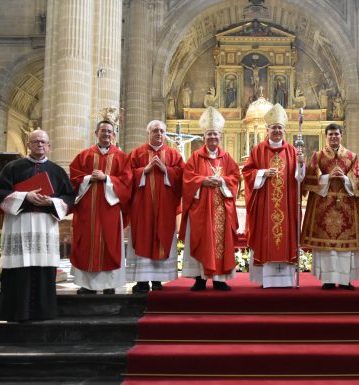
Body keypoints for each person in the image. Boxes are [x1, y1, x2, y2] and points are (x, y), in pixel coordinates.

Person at [0, 129, 75, 322]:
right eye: (35, 141)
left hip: (45, 226)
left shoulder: (57, 171)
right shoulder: (12, 168)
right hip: (19, 224)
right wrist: (25, 196)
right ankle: (16, 312)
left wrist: (52, 202)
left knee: (43, 268)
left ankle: (43, 312)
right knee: (19, 268)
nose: (39, 145)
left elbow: (70, 197)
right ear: (28, 145)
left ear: (49, 146)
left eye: (43, 142)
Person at [242, 103, 305, 288]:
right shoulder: (258, 150)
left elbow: (299, 179)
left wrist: (301, 164)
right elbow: (247, 173)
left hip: (287, 204)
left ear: (284, 130)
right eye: (273, 128)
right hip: (264, 206)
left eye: (279, 128)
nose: (276, 131)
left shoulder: (293, 151)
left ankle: (286, 280)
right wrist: (261, 173)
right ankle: (265, 280)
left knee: (285, 236)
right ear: (267, 129)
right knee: (265, 237)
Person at [179, 107, 241, 291]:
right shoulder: (195, 157)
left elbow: (234, 177)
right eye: (209, 135)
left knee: (221, 242)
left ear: (220, 136)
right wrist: (203, 180)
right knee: (202, 240)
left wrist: (222, 180)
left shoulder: (226, 157)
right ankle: (200, 278)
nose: (213, 138)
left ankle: (220, 280)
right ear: (204, 137)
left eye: (215, 135)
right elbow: (187, 179)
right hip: (202, 209)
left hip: (221, 207)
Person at [69, 120, 132, 295]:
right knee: (86, 243)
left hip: (110, 209)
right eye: (103, 131)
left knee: (110, 244)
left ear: (114, 135)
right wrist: (89, 178)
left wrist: (107, 179)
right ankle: (87, 285)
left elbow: (127, 182)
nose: (106, 134)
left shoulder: (121, 157)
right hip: (87, 209)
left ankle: (109, 283)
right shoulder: (84, 155)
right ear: (96, 133)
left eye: (109, 132)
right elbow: (73, 178)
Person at [301, 123, 359, 290]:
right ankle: (328, 280)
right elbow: (309, 179)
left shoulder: (352, 156)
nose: (334, 137)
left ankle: (346, 280)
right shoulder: (318, 156)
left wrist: (345, 179)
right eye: (330, 134)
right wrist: (326, 178)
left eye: (336, 134)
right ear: (326, 136)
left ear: (341, 136)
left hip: (347, 208)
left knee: (346, 250)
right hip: (324, 208)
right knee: (327, 247)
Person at [126, 120, 184, 293]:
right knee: (142, 238)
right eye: (155, 131)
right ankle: (142, 281)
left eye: (162, 131)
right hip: (142, 209)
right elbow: (126, 177)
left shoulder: (173, 155)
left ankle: (158, 280)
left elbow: (183, 177)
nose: (159, 134)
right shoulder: (137, 153)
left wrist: (167, 170)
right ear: (148, 133)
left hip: (165, 208)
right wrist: (144, 170)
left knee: (162, 238)